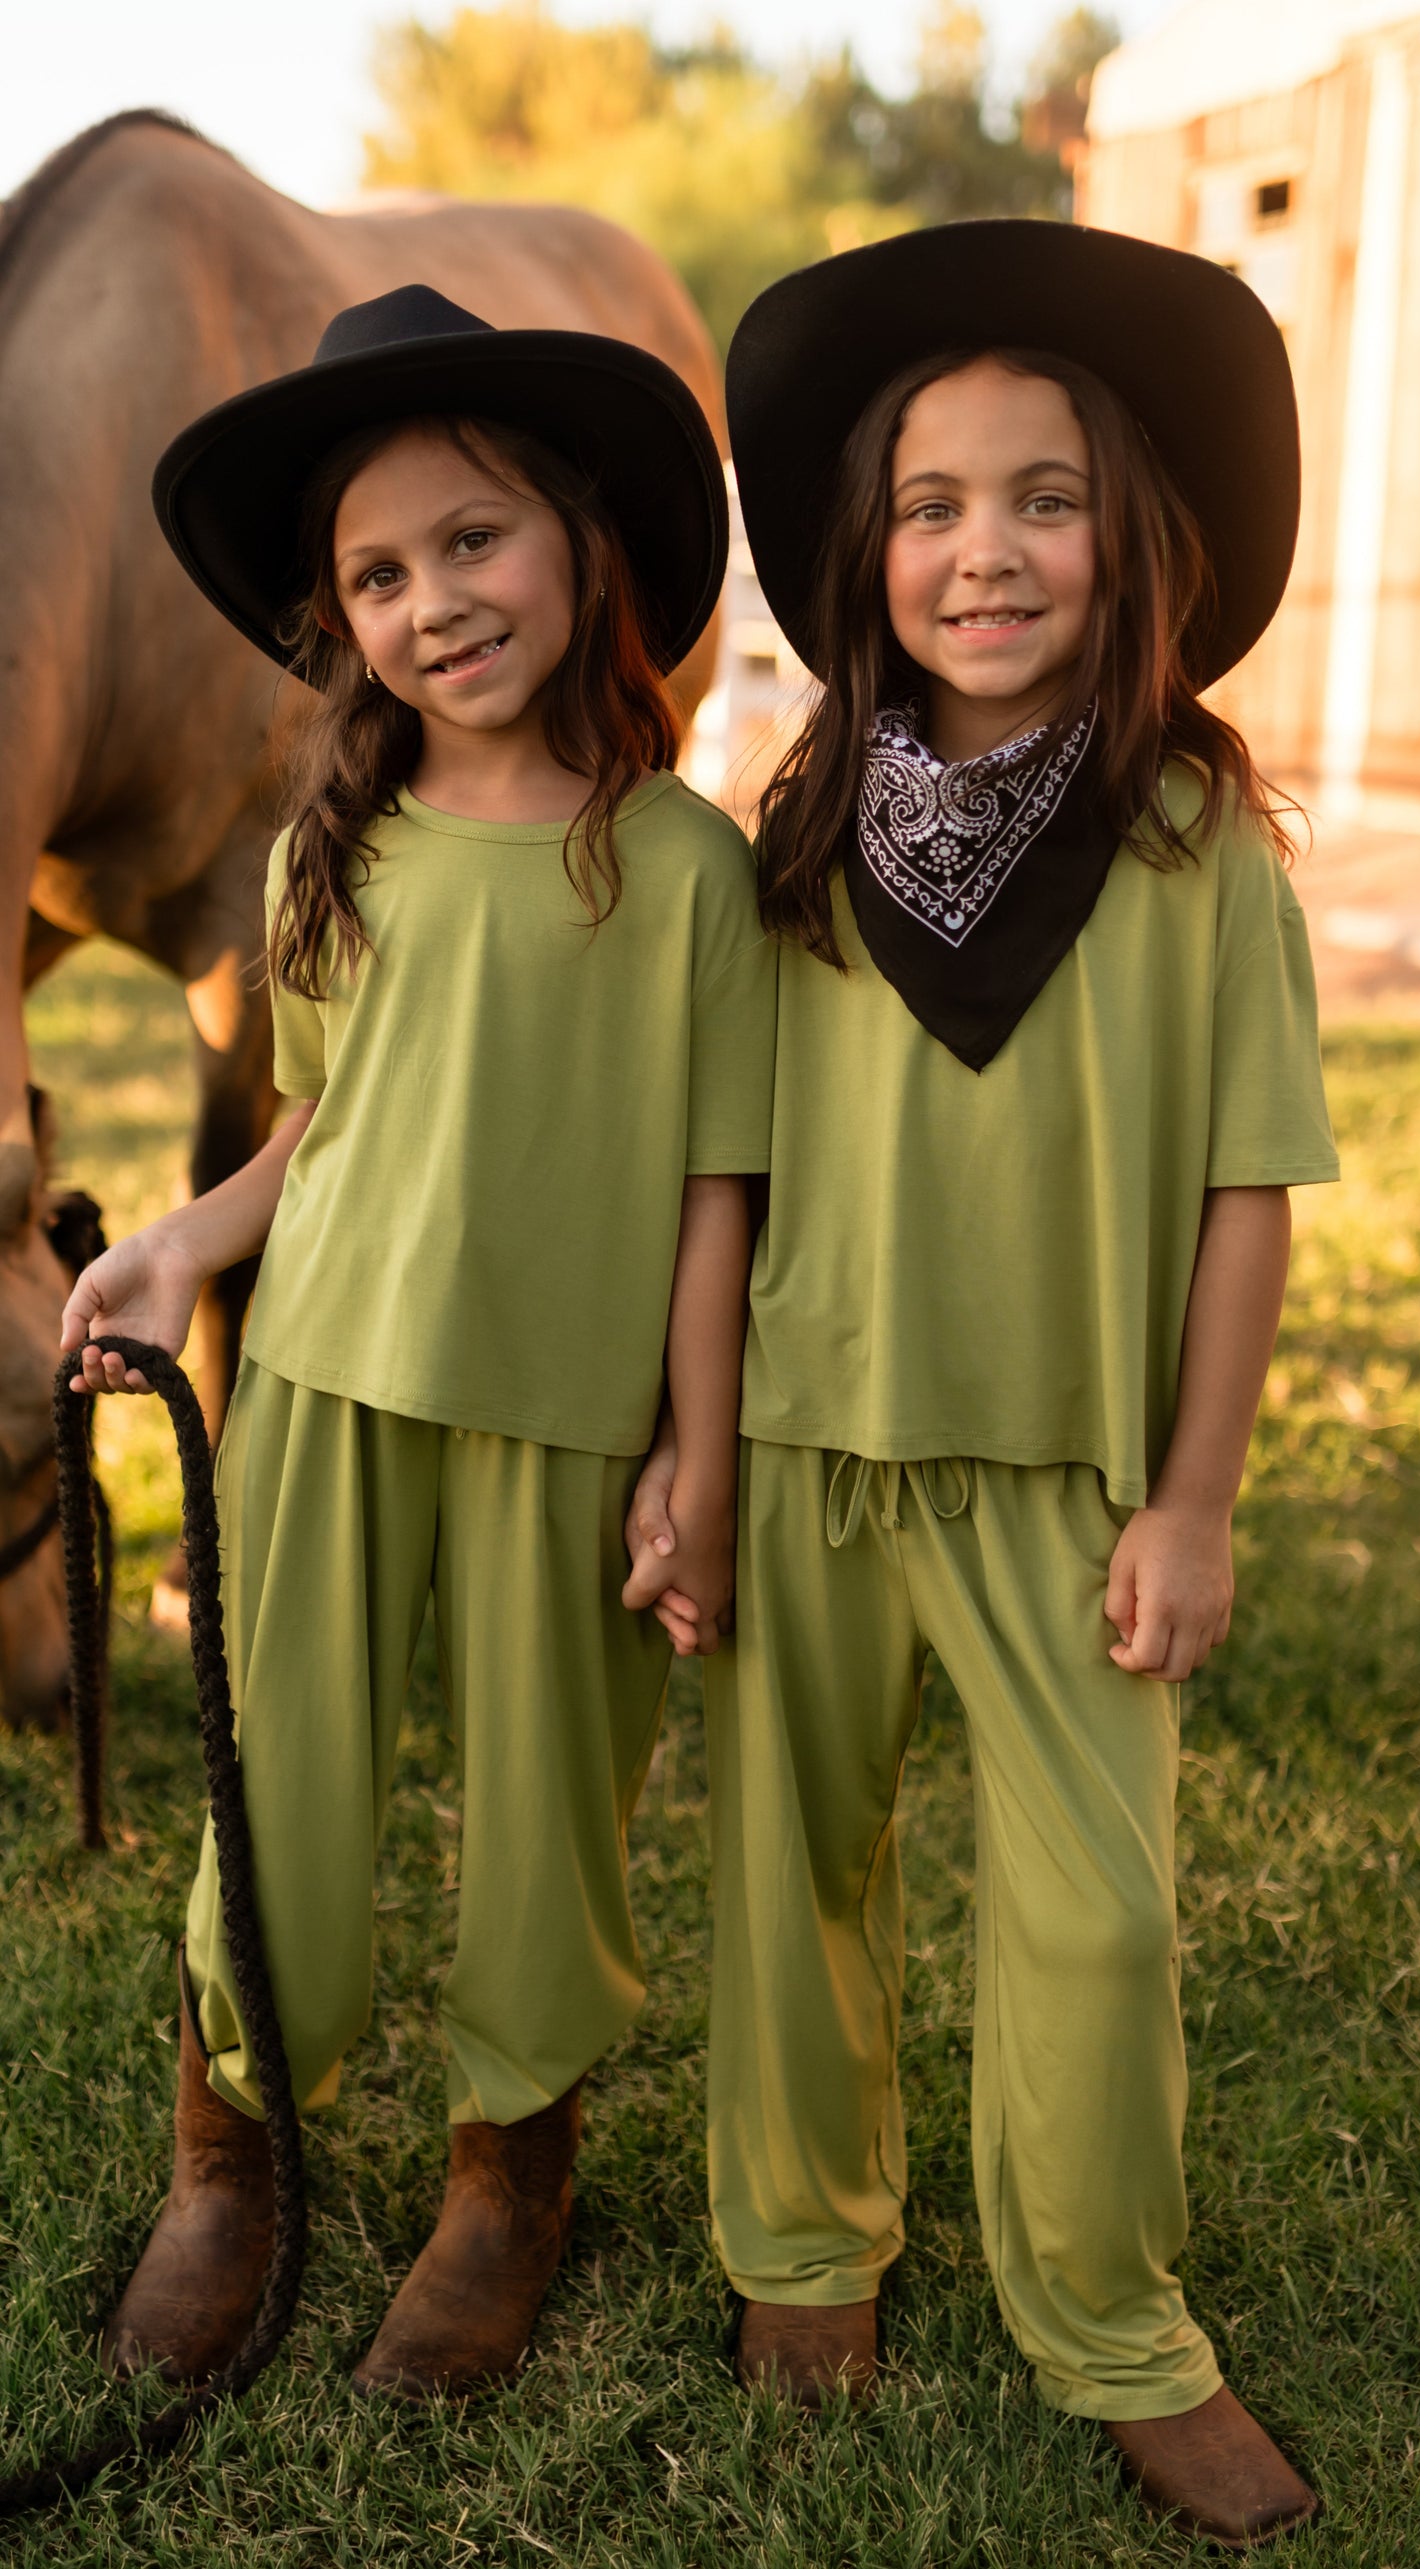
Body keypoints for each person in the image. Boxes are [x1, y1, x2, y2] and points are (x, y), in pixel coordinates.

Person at [626, 222, 1336, 2549]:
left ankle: (1108, 2310)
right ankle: (805, 2241)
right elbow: (725, 1177)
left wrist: (1203, 1493)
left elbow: (1248, 1189)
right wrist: (699, 1458)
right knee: (795, 1874)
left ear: (1132, 531)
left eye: (1043, 498)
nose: (984, 549)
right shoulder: (802, 822)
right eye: (932, 505)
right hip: (813, 1443)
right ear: (870, 548)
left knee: (1098, 1915)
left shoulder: (1197, 837)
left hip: (1063, 1471)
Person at [61, 285, 775, 2399]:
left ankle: (508, 2170)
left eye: (473, 540)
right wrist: (188, 1240)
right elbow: (323, 1119)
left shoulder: (685, 872)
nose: (434, 600)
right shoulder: (329, 847)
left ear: (576, 546)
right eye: (379, 572)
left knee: (555, 1806)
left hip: (568, 1416)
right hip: (325, 1391)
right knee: (277, 1771)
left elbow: (718, 1196)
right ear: (343, 618)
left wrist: (698, 1459)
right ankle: (231, 2143)